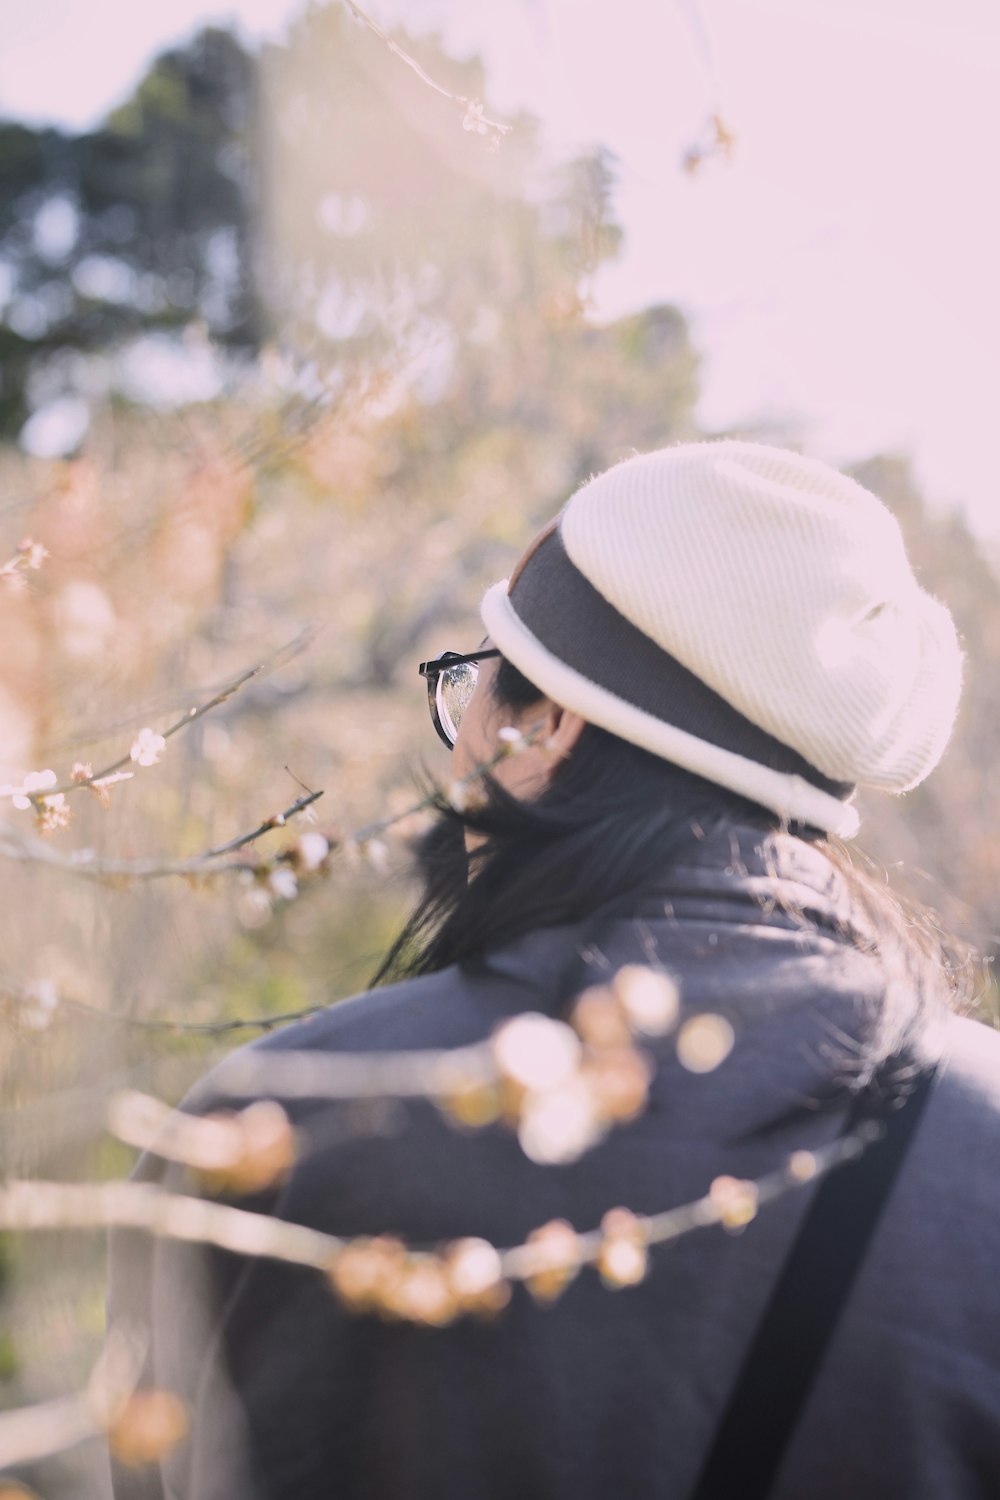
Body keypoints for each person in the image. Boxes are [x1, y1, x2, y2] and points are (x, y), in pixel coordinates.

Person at [109, 441, 1000, 1500]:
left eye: (472, 683)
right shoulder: (979, 1147)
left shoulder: (265, 1134)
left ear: (545, 725)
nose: (458, 742)